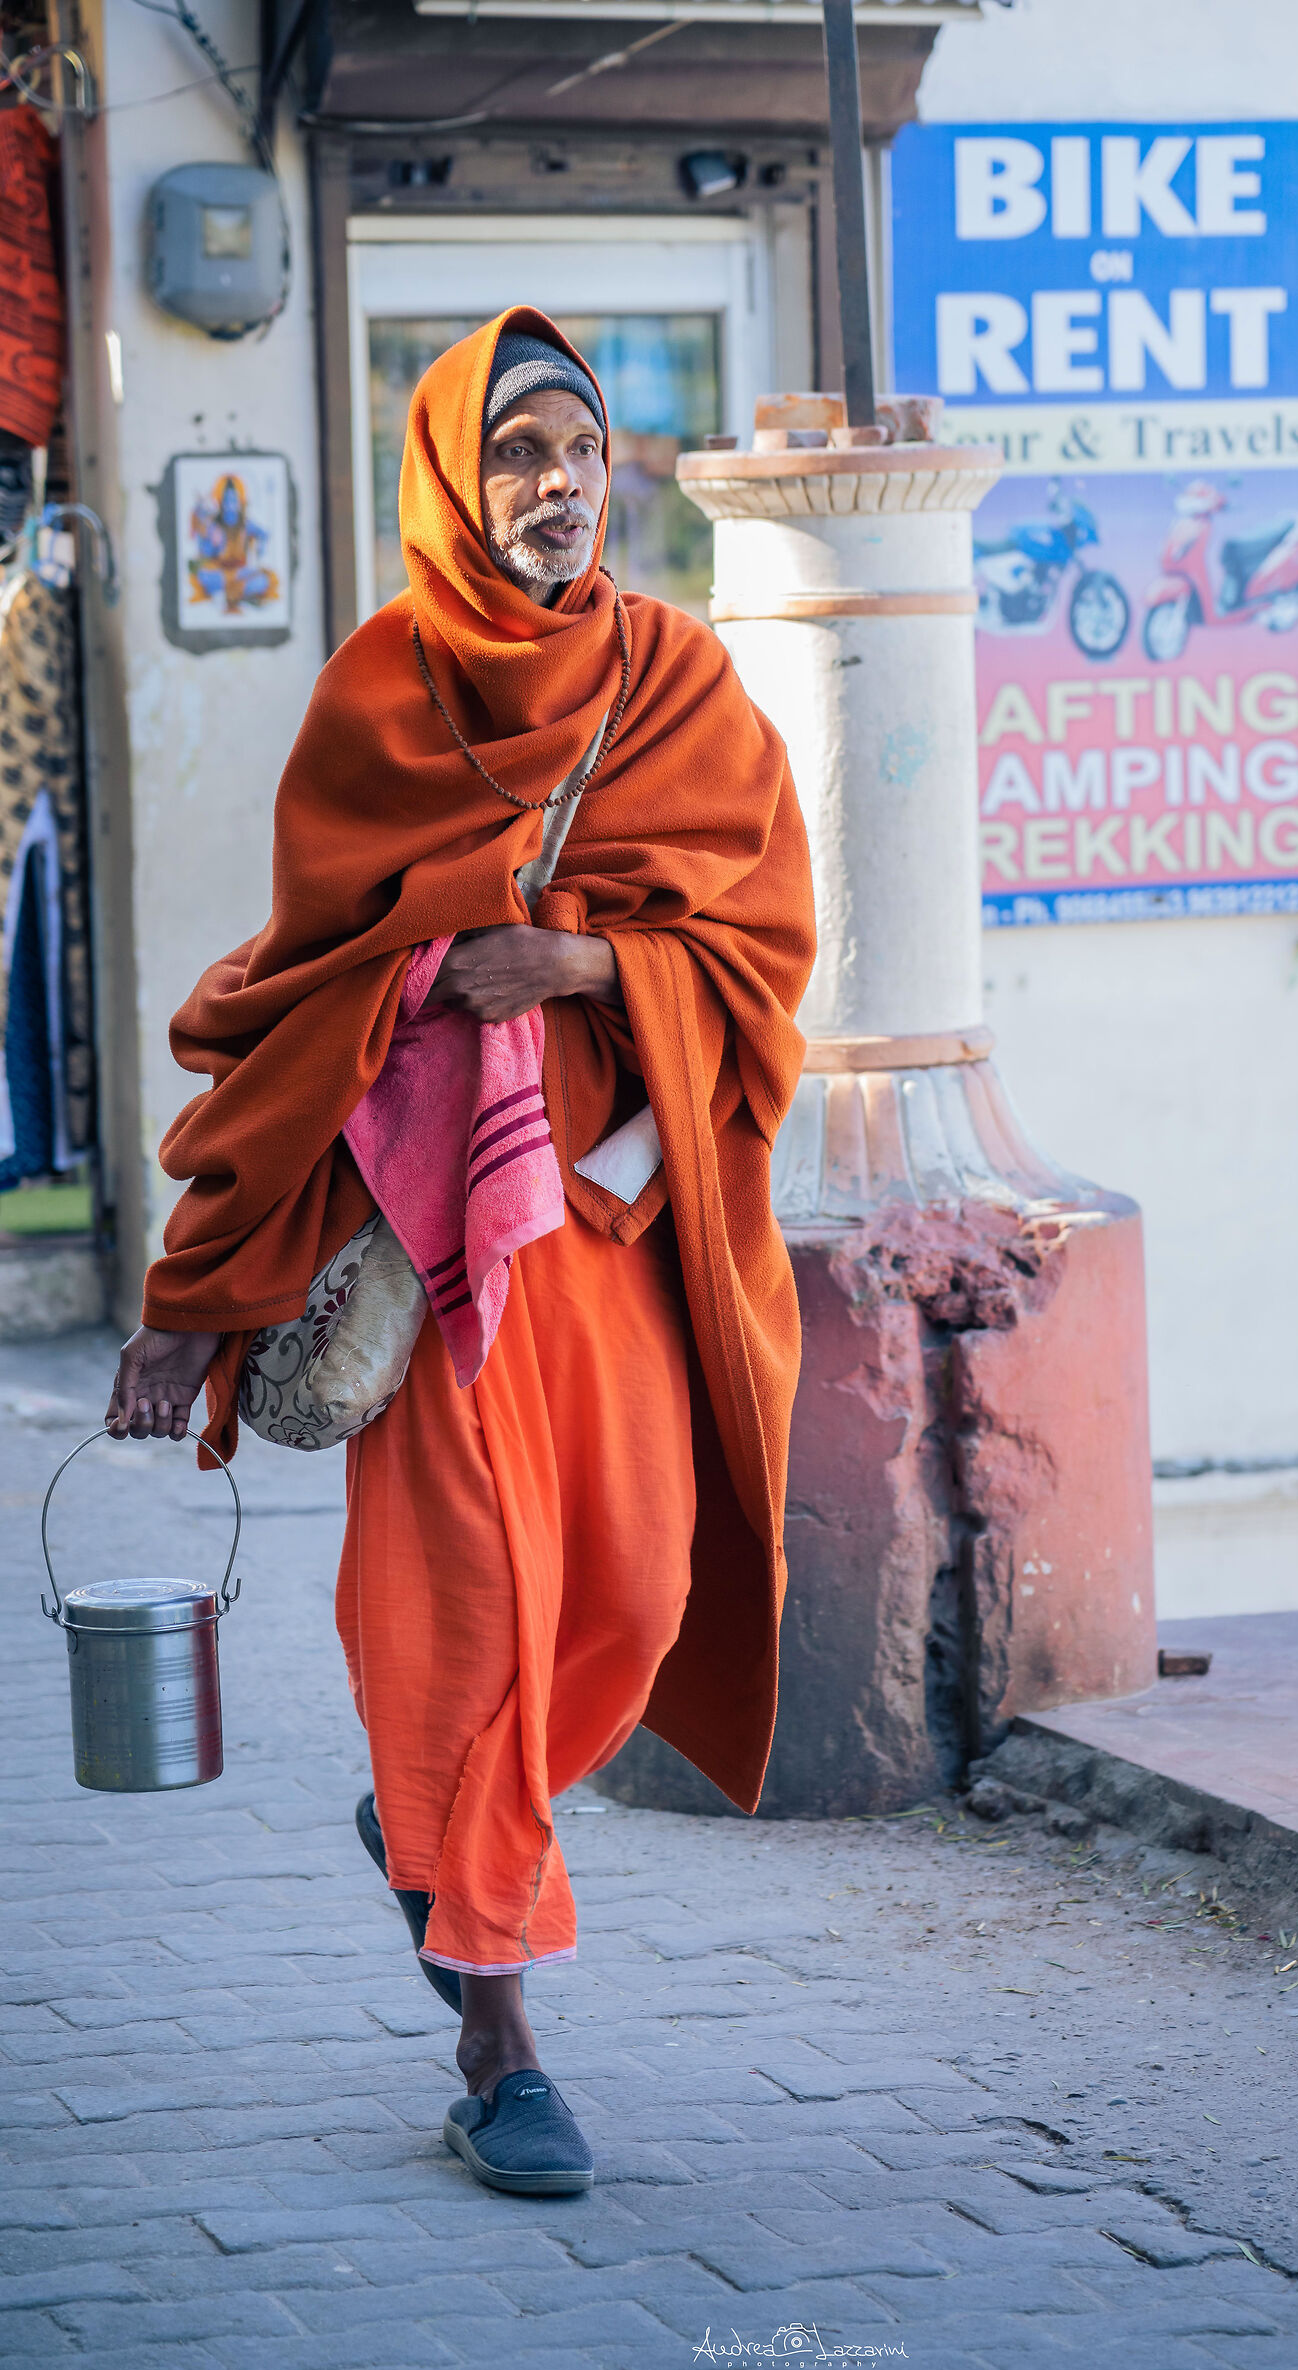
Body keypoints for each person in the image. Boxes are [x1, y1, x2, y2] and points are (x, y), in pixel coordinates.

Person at [105, 311, 815, 2197]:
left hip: (616, 1227)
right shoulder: (375, 699)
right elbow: (299, 1008)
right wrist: (201, 1296)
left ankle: (428, 1829)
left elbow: (765, 965)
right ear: (448, 477)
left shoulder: (682, 688)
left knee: (636, 1598)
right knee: (471, 1623)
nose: (556, 484)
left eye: (579, 446)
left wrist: (577, 962)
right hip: (428, 1257)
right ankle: (499, 2040)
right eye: (514, 452)